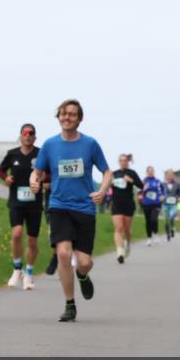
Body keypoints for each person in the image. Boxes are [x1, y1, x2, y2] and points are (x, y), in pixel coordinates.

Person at [29, 99, 112, 322]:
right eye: (64, 114)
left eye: (72, 114)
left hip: (84, 208)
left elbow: (107, 172)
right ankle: (70, 304)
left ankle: (83, 276)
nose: (67, 118)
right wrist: (34, 182)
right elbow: (36, 172)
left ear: (79, 118)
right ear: (58, 117)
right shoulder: (49, 145)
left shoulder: (90, 144)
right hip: (59, 206)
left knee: (84, 262)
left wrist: (102, 191)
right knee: (64, 253)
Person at [0, 124, 42, 290]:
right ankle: (17, 269)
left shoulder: (40, 154)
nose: (28, 136)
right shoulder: (12, 154)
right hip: (16, 201)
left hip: (35, 203)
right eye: (25, 133)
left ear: (35, 137)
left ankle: (29, 273)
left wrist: (41, 180)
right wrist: (6, 178)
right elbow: (1, 170)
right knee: (16, 233)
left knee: (32, 240)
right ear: (20, 136)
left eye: (31, 133)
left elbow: (49, 173)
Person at [110, 153, 143, 263]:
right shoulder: (114, 174)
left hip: (128, 204)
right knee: (119, 227)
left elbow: (141, 186)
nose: (123, 162)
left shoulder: (132, 173)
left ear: (128, 162)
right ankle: (120, 252)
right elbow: (107, 187)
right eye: (121, 160)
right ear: (119, 162)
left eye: (125, 160)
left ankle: (127, 243)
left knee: (127, 229)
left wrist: (131, 181)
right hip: (116, 204)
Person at [138, 166, 164, 245]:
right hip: (146, 203)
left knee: (154, 219)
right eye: (149, 171)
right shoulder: (144, 181)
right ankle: (149, 237)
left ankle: (155, 234)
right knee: (148, 221)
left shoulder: (158, 181)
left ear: (154, 172)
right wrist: (140, 194)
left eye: (152, 170)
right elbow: (139, 191)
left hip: (156, 203)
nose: (151, 172)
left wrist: (163, 196)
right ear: (147, 172)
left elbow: (163, 190)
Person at [161, 169, 180, 241]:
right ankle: (168, 234)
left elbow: (179, 194)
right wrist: (161, 197)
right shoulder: (163, 184)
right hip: (165, 204)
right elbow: (160, 193)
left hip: (173, 204)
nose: (170, 176)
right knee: (167, 219)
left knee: (171, 217)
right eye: (168, 175)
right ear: (166, 176)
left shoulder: (177, 184)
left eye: (171, 175)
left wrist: (179, 198)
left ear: (173, 176)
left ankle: (172, 227)